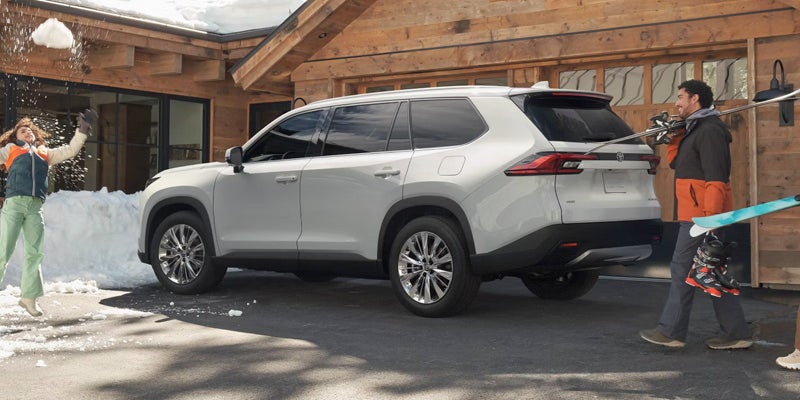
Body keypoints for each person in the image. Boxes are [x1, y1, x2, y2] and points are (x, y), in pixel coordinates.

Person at [639, 79, 752, 349]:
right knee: (709, 271)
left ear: (695, 99)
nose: (676, 103)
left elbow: (717, 178)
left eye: (681, 97)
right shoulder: (693, 129)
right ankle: (736, 334)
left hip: (702, 218)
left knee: (682, 269)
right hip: (694, 214)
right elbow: (676, 162)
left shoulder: (711, 130)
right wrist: (674, 136)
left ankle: (672, 332)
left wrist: (710, 221)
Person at [0, 110, 95, 317]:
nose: (27, 133)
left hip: (35, 207)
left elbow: (70, 150)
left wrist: (82, 130)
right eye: (23, 131)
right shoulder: (11, 150)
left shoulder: (45, 153)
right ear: (15, 136)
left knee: (34, 253)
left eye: (30, 131)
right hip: (15, 204)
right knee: (3, 252)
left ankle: (29, 298)